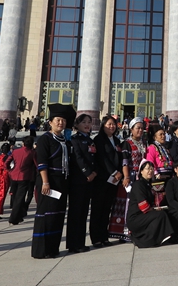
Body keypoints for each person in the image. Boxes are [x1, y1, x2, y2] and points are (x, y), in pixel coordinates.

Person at [30, 104, 74, 258]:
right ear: (50, 122)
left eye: (63, 120)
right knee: (46, 215)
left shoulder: (65, 140)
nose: (60, 123)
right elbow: (42, 162)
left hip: (62, 182)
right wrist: (45, 182)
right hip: (48, 181)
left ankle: (53, 248)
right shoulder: (45, 139)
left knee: (57, 215)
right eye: (57, 120)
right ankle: (42, 250)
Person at [110, 117, 147, 242]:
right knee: (127, 203)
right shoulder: (127, 143)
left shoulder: (143, 142)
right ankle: (124, 231)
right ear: (131, 129)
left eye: (142, 128)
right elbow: (124, 162)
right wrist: (126, 177)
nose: (140, 130)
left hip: (140, 177)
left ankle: (137, 229)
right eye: (138, 128)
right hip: (130, 176)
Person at [90, 115, 123, 248]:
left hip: (114, 180)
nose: (111, 126)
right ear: (103, 126)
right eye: (109, 124)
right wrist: (114, 173)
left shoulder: (116, 140)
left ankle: (104, 236)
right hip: (103, 179)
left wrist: (119, 172)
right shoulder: (98, 140)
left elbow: (120, 157)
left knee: (107, 209)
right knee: (97, 209)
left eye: (113, 124)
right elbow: (102, 159)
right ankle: (96, 238)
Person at [66, 114, 96, 253]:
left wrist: (94, 172)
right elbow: (78, 158)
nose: (87, 125)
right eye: (84, 122)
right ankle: (73, 244)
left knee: (84, 212)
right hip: (78, 180)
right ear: (76, 124)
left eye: (89, 122)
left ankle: (81, 242)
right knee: (75, 212)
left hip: (89, 181)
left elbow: (94, 158)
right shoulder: (74, 140)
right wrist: (87, 173)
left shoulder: (90, 140)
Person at [126, 160, 174, 248]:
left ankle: (156, 238)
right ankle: (146, 240)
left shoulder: (148, 184)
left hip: (143, 215)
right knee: (160, 215)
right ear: (141, 171)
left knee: (165, 213)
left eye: (152, 169)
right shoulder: (138, 185)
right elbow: (143, 206)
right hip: (135, 218)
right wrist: (154, 209)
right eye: (147, 169)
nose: (150, 171)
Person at [8, 136, 36, 225]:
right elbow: (37, 164)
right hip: (24, 177)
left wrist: (9, 170)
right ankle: (14, 218)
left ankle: (19, 216)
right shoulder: (32, 153)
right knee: (20, 198)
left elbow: (6, 162)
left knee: (15, 197)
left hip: (14, 175)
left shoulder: (15, 151)